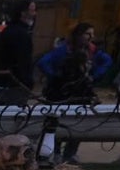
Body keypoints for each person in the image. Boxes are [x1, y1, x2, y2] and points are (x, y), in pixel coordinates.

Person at [37, 22, 113, 162]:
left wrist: (95, 76)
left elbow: (107, 61)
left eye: (92, 34)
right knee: (60, 122)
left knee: (78, 124)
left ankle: (70, 153)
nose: (91, 37)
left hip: (80, 94)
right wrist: (55, 76)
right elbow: (43, 62)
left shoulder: (92, 51)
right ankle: (59, 152)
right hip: (63, 93)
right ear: (78, 35)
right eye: (87, 33)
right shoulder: (64, 50)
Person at [0, 0, 37, 106]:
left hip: (6, 81)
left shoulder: (9, 30)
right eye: (32, 11)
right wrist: (27, 81)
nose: (34, 14)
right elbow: (23, 60)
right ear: (23, 12)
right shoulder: (21, 34)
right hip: (15, 84)